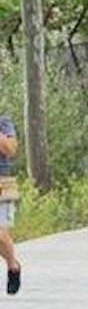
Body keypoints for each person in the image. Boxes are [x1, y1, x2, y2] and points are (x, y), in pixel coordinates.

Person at [0, 117, 20, 295]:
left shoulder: (4, 123)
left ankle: (12, 266)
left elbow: (10, 149)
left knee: (0, 233)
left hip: (1, 185)